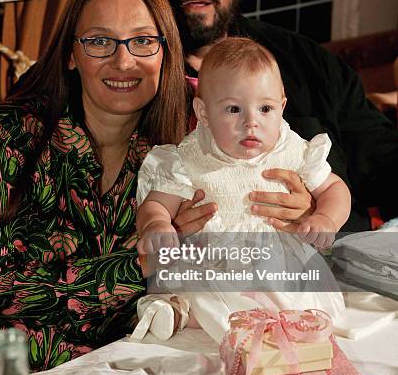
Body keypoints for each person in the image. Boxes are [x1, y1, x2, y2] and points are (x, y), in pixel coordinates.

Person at [0, 0, 193, 375]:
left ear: (165, 52)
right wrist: (143, 265)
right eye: (99, 42)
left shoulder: (185, 152)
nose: (123, 61)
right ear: (71, 55)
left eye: (143, 41)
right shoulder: (4, 137)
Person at [129, 0, 398, 234]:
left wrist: (320, 212)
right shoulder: (132, 77)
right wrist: (162, 224)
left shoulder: (305, 61)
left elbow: (385, 163)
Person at [133, 38, 349, 343]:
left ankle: (284, 325)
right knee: (202, 297)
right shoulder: (190, 158)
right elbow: (157, 203)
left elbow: (335, 189)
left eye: (265, 108)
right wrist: (157, 225)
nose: (251, 122)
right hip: (214, 266)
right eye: (234, 109)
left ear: (282, 107)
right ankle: (177, 311)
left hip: (279, 267)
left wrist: (327, 218)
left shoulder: (293, 150)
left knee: (302, 301)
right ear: (203, 111)